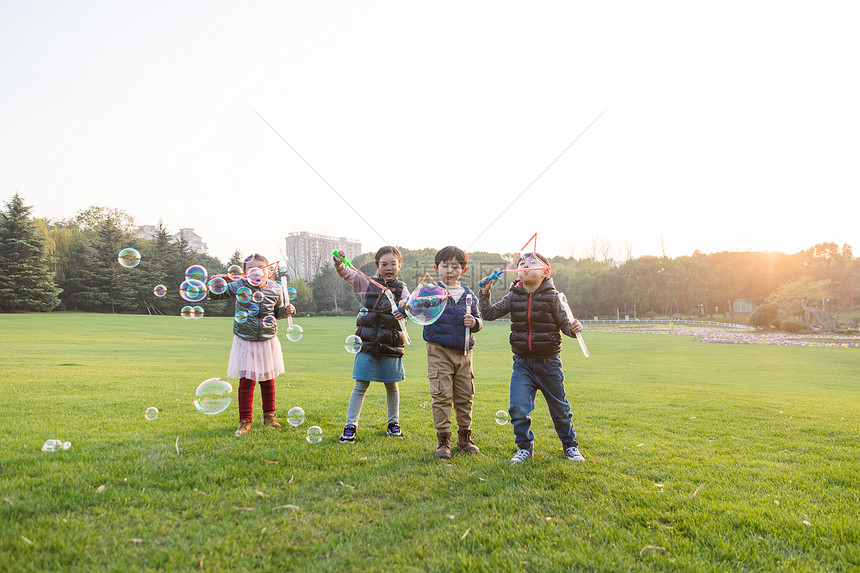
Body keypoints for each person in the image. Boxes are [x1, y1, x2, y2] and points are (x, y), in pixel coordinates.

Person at [478, 252, 585, 463]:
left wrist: (575, 328)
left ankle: (570, 446)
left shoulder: (553, 298)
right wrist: (484, 293)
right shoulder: (513, 297)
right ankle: (525, 447)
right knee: (517, 407)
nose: (525, 265)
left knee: (560, 409)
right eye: (521, 263)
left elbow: (567, 327)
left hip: (549, 364)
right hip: (522, 364)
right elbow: (488, 314)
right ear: (517, 273)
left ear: (545, 272)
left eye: (532, 263)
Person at [209, 254, 295, 435]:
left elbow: (276, 312)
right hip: (245, 339)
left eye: (261, 268)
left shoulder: (275, 289)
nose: (256, 272)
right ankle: (245, 420)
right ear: (244, 273)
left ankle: (269, 417)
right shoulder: (239, 285)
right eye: (251, 269)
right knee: (246, 382)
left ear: (268, 271)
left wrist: (286, 310)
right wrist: (219, 281)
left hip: (267, 340)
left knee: (267, 381)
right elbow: (216, 293)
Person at [333, 246, 409, 443]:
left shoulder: (401, 288)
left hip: (391, 345)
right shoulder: (367, 283)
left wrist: (405, 310)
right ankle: (350, 426)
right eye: (384, 264)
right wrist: (339, 263)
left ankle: (393, 423)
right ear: (377, 266)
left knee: (392, 386)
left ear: (399, 266)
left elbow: (409, 304)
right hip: (366, 343)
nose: (389, 267)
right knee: (360, 385)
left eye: (393, 264)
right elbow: (347, 274)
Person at [417, 246, 483, 458]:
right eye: (445, 266)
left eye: (455, 266)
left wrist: (474, 322)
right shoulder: (430, 292)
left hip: (464, 353)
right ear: (437, 268)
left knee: (465, 395)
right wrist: (403, 305)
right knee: (441, 394)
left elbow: (479, 321)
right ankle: (443, 440)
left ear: (462, 270)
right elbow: (413, 310)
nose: (450, 270)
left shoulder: (469, 294)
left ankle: (465, 437)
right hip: (439, 351)